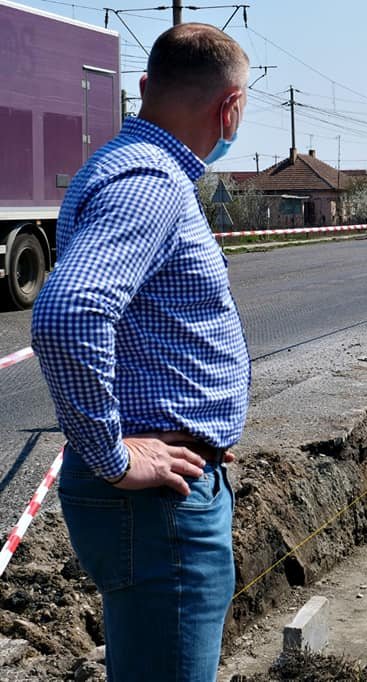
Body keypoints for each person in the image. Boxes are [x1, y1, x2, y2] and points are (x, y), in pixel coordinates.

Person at [31, 23, 250, 681]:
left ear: (146, 87)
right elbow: (69, 316)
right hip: (158, 511)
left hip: (159, 495)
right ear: (230, 110)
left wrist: (197, 424)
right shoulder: (151, 181)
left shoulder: (122, 164)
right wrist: (114, 454)